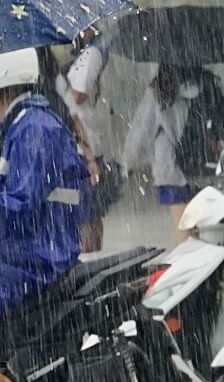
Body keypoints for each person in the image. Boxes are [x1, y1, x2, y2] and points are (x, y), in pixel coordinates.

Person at [0, 48, 89, 348]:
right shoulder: (13, 128)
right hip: (12, 252)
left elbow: (18, 211)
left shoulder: (36, 130)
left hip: (35, 258)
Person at [122, 63, 224, 243]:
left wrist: (127, 163)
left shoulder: (161, 90)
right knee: (209, 232)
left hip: (172, 170)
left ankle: (192, 266)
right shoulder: (209, 85)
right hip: (205, 167)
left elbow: (141, 131)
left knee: (184, 233)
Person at [60, 33, 122, 251]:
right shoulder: (94, 52)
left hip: (84, 145)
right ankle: (93, 253)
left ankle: (90, 256)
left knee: (86, 213)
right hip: (90, 143)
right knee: (91, 211)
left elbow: (79, 94)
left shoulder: (92, 52)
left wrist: (63, 92)